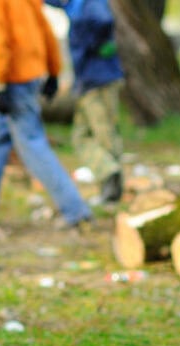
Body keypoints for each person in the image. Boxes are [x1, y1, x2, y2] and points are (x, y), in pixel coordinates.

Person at [0, 0, 92, 231]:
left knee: (32, 145)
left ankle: (75, 210)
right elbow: (43, 25)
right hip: (29, 73)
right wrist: (53, 69)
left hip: (12, 79)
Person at [46, 0, 126, 205]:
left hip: (99, 79)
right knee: (81, 136)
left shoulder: (89, 3)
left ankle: (112, 186)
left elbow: (103, 20)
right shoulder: (74, 4)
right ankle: (109, 176)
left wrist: (92, 45)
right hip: (87, 80)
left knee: (104, 133)